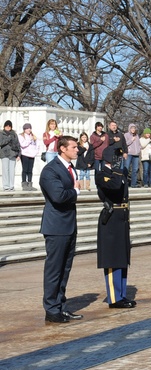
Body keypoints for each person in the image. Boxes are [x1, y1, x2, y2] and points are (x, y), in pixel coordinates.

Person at [39, 135, 82, 323]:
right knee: (54, 270)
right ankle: (51, 309)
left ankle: (61, 305)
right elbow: (58, 196)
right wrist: (76, 191)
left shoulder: (70, 168)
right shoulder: (50, 170)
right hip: (56, 226)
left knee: (65, 269)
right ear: (63, 149)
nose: (77, 150)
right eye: (74, 147)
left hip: (69, 225)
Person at [95, 146, 135, 309]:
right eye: (118, 157)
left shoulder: (120, 172)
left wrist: (120, 170)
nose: (122, 159)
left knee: (121, 259)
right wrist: (118, 170)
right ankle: (113, 297)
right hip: (111, 219)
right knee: (112, 259)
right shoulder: (102, 174)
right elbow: (115, 187)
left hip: (122, 217)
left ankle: (121, 294)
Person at [0, 120, 20, 191]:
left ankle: (11, 186)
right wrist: (8, 139)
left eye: (9, 126)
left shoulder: (14, 134)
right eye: (7, 126)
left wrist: (19, 155)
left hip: (13, 154)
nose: (8, 127)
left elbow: (18, 144)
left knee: (12, 171)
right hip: (4, 154)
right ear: (4, 126)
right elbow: (1, 143)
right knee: (5, 170)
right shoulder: (1, 133)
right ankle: (6, 186)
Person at [18, 123, 39, 191]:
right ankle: (24, 184)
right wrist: (29, 140)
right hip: (25, 154)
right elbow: (23, 144)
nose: (29, 129)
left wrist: (36, 151)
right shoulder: (21, 136)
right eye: (27, 128)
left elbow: (37, 144)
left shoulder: (33, 136)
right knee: (25, 169)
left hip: (32, 155)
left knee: (30, 170)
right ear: (24, 129)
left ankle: (30, 184)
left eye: (29, 128)